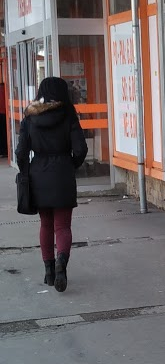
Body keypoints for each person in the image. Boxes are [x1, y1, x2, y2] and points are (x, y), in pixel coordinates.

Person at [16, 76, 88, 293]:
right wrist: (71, 165)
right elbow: (81, 149)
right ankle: (61, 264)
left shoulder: (30, 117)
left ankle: (49, 270)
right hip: (63, 174)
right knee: (63, 226)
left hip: (38, 174)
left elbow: (21, 152)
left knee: (45, 225)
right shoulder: (68, 115)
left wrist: (26, 172)